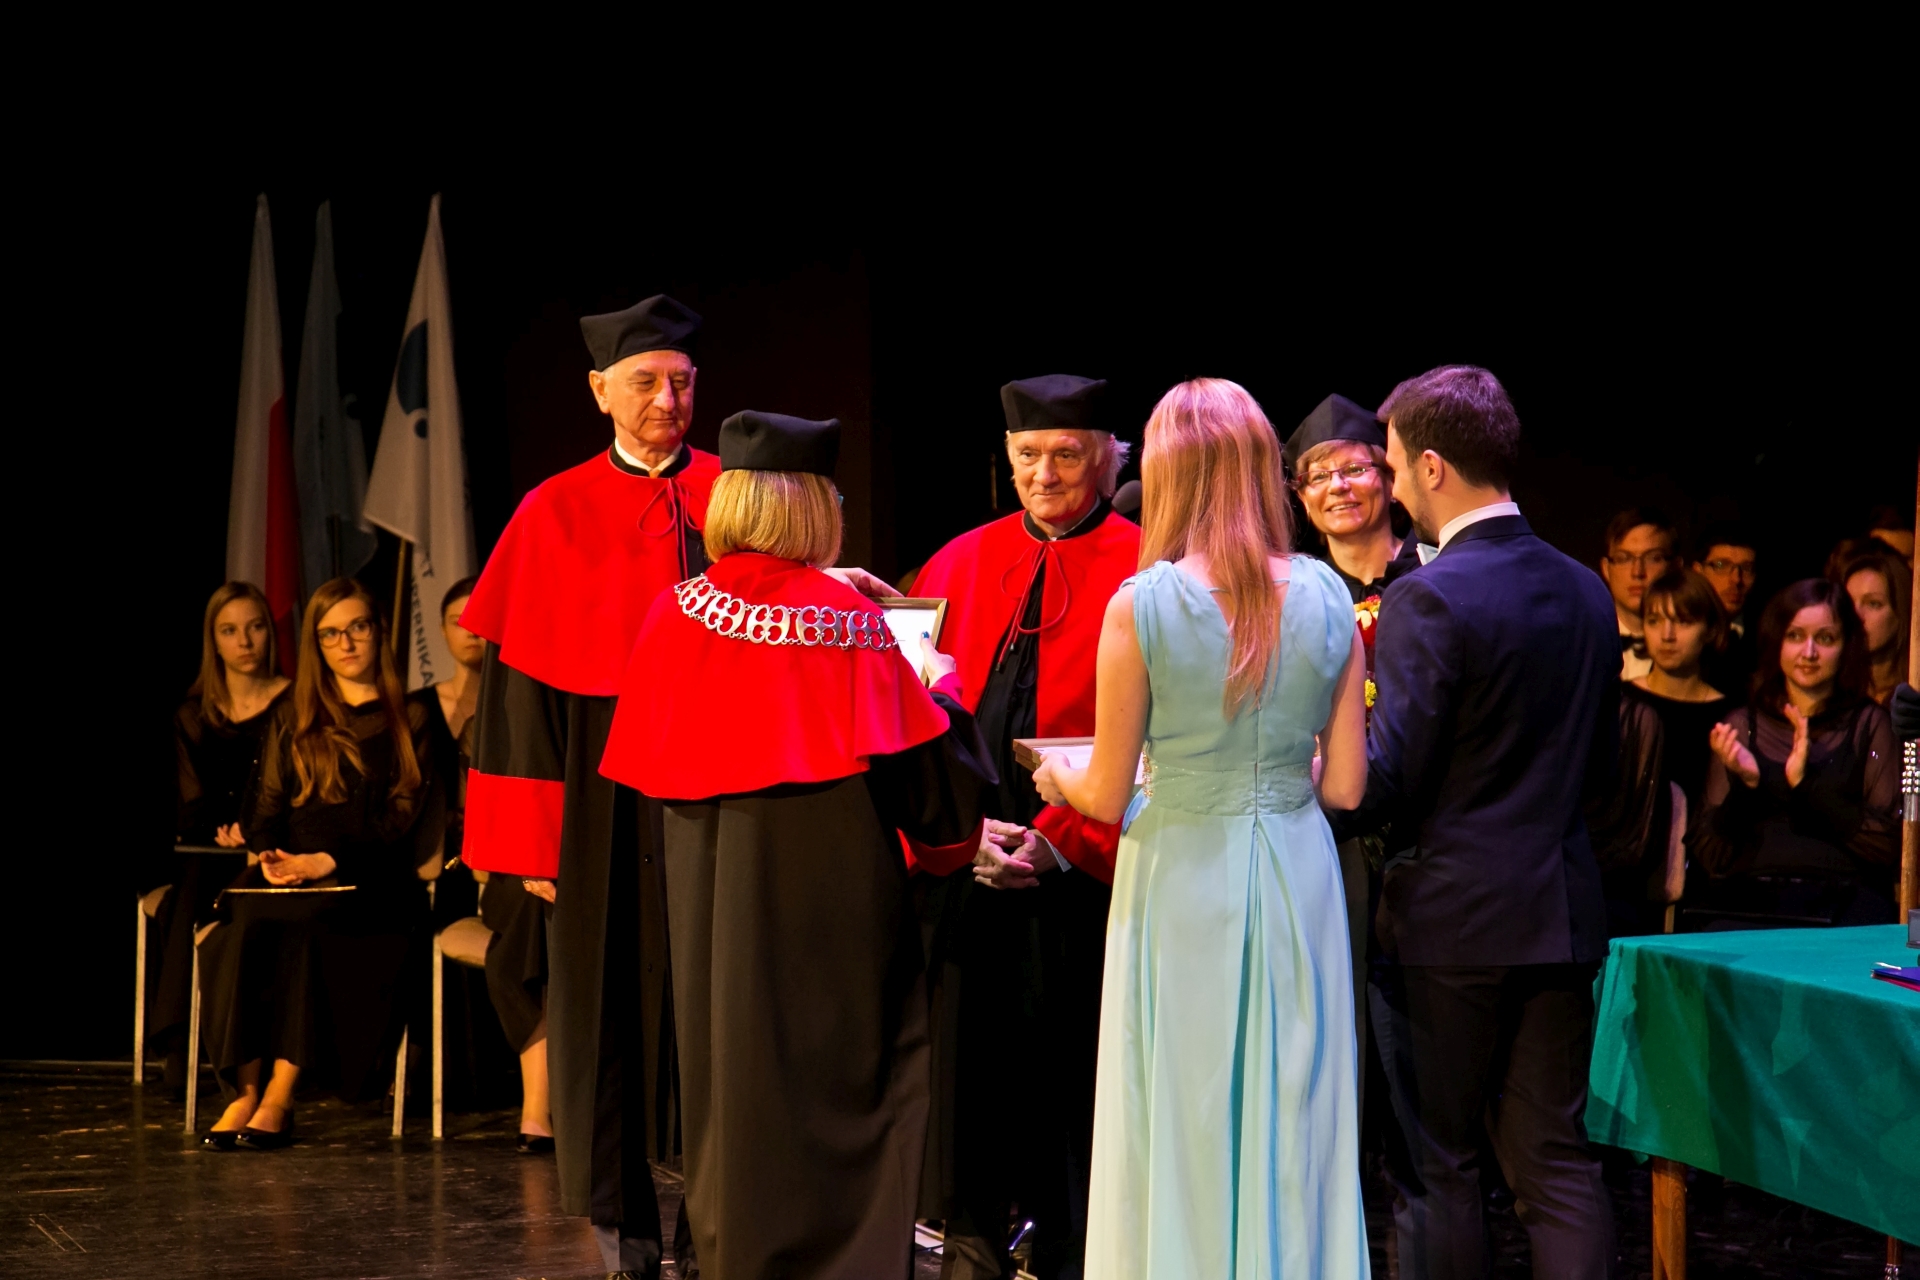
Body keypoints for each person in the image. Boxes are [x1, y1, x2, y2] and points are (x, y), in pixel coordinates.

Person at [599, 410, 996, 1280]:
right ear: (813, 506)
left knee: (733, 1087)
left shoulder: (674, 612)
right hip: (833, 923)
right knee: (838, 1093)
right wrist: (941, 683)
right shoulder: (847, 622)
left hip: (713, 926)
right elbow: (937, 805)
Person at [1033, 377, 1371, 1277]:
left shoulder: (1141, 605)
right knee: (1294, 1103)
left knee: (1180, 1101)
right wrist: (1272, 771)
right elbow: (1345, 787)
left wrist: (1055, 775)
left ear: (1169, 474)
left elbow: (1105, 794)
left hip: (1178, 870)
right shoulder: (1329, 595)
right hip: (1297, 868)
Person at [458, 295, 717, 1277]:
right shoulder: (552, 510)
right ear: (600, 390)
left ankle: (714, 1220)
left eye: (681, 382)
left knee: (712, 1007)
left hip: (712, 783)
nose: (666, 401)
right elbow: (518, 699)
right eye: (645, 382)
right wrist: (532, 845)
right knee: (603, 1014)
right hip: (596, 790)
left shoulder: (736, 496)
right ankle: (625, 1232)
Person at [1354, 366, 1618, 1278]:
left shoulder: (1430, 594)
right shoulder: (1586, 588)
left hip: (1448, 927)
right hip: (1560, 912)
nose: (1392, 489)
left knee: (1438, 1169)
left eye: (1393, 468)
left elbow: (1391, 776)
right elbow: (1602, 769)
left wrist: (1317, 772)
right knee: (1558, 1165)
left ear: (1432, 467)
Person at [908, 374, 1140, 1279]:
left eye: (1066, 455)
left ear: (1109, 457)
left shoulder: (1148, 566)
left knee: (1072, 1074)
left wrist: (1059, 842)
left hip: (1084, 873)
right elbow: (914, 716)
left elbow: (1157, 738)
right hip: (972, 864)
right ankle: (970, 1245)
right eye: (1027, 456)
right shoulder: (957, 561)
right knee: (968, 1071)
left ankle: (1073, 1249)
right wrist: (960, 836)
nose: (1044, 474)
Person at [199, 577, 440, 1149]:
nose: (346, 643)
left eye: (357, 628)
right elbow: (262, 809)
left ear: (379, 632)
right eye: (330, 634)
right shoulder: (294, 712)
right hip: (290, 871)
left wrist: (325, 861)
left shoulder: (411, 715)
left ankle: (281, 1095)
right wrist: (270, 855)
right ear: (316, 645)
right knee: (238, 928)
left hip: (370, 879)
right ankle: (244, 1092)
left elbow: (401, 817)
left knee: (307, 931)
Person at [1283, 392, 1421, 1123]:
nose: (1337, 486)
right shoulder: (1291, 595)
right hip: (1326, 837)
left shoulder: (1435, 578)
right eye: (1318, 475)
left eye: (1354, 469)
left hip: (1422, 838)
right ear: (1301, 497)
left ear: (1391, 481)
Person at [1691, 579, 1900, 928]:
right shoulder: (1742, 725)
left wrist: (1806, 786)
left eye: (1825, 638)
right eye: (1795, 636)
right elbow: (1711, 853)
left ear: (1846, 646)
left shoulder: (1870, 725)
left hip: (1844, 902)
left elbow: (1888, 845)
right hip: (1752, 901)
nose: (1809, 652)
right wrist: (1746, 786)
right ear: (1777, 642)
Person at [149, 582, 293, 1089]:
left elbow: (296, 787)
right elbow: (191, 804)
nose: (245, 642)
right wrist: (224, 831)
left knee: (203, 895)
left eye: (255, 627)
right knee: (191, 888)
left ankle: (202, 1045)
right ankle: (180, 1044)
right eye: (230, 631)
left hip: (274, 845)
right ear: (213, 641)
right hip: (211, 847)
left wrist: (256, 830)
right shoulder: (193, 713)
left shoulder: (295, 702)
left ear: (270, 632)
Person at [1594, 569, 1732, 936]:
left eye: (1683, 622)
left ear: (1710, 630)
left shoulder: (1730, 716)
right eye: (1655, 621)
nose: (1667, 635)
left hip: (1700, 882)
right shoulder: (1620, 704)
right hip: (1624, 876)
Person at [1599, 506, 1676, 681]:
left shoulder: (1699, 652)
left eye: (1653, 558)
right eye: (1624, 558)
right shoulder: (1582, 641)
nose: (1637, 572)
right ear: (1606, 568)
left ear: (1675, 566)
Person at [1691, 522, 1760, 702]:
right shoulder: (1680, 632)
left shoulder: (1766, 635)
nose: (1736, 579)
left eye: (1746, 568)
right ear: (1698, 571)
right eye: (1721, 565)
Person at [1837, 548, 1911, 706]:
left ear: (1901, 613)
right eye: (1849, 602)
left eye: (1873, 604)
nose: (1856, 615)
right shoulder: (1830, 692)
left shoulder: (1913, 694)